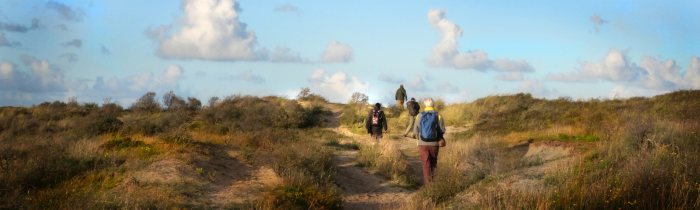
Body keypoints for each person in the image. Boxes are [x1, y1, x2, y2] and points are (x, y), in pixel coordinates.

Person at [413, 98, 445, 184]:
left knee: (425, 164)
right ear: (433, 105)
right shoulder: (438, 115)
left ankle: (428, 185)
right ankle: (434, 183)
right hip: (434, 143)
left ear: (425, 105)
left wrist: (418, 139)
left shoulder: (419, 115)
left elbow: (415, 131)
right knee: (433, 163)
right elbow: (442, 130)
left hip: (422, 144)